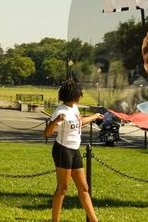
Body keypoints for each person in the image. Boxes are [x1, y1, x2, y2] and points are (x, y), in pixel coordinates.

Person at [43, 79, 103, 222]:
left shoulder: (74, 108)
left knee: (84, 187)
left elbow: (79, 122)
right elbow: (47, 133)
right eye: (79, 93)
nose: (80, 95)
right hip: (62, 150)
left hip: (74, 150)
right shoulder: (61, 111)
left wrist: (95, 116)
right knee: (63, 188)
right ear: (73, 95)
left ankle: (94, 220)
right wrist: (55, 121)